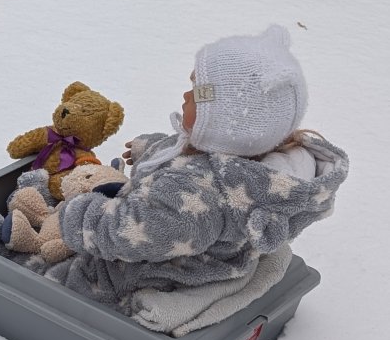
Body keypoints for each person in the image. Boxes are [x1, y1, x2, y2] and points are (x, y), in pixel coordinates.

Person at [51, 25, 348, 305]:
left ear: (225, 121)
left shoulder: (195, 197)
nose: (185, 95)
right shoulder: (240, 156)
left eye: (195, 91)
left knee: (62, 277)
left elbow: (134, 234)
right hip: (166, 237)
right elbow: (191, 155)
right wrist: (152, 148)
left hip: (150, 275)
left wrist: (77, 215)